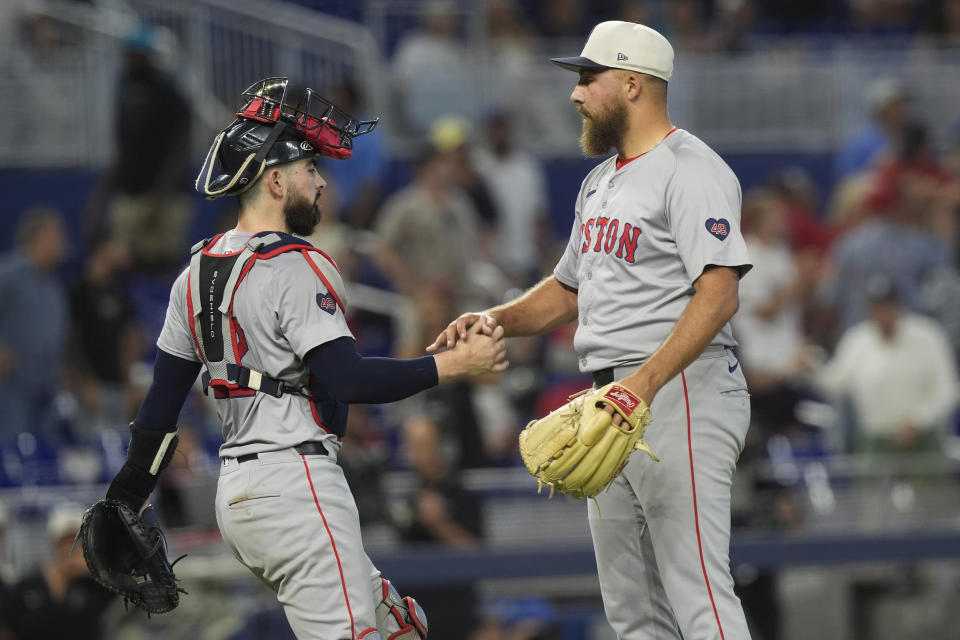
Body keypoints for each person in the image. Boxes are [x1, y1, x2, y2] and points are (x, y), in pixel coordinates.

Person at [98, 77, 507, 640]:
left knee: (400, 629)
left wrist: (126, 496)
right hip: (296, 483)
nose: (320, 183)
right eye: (310, 170)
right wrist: (456, 365)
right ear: (273, 180)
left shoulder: (193, 274)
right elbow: (349, 379)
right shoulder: (296, 264)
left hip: (240, 499)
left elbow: (161, 406)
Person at [429, 21, 754, 640]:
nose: (576, 94)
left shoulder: (690, 168)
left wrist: (644, 385)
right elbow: (566, 291)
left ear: (632, 84)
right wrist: (496, 318)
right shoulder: (601, 180)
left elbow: (719, 294)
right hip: (611, 401)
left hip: (679, 388)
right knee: (631, 608)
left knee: (698, 591)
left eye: (588, 78)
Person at [0, 209, 69, 441]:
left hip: (46, 386)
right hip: (13, 385)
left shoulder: (52, 283)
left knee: (42, 455)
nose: (62, 243)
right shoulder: (9, 273)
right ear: (40, 237)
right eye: (57, 235)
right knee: (12, 448)